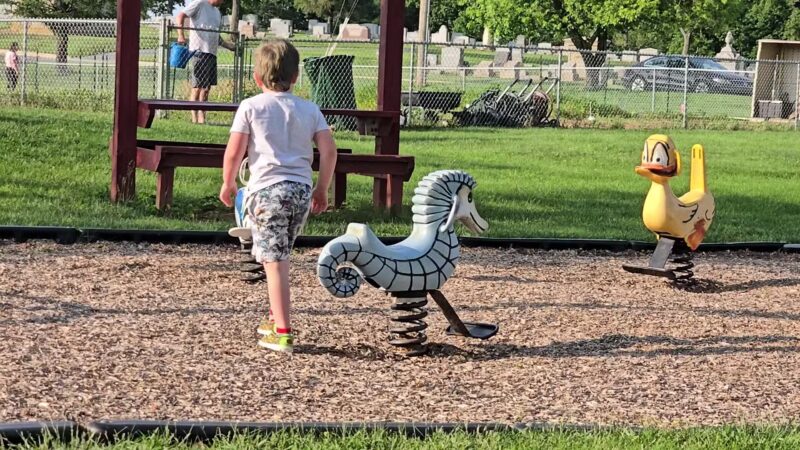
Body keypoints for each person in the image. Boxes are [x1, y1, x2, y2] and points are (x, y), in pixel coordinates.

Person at [219, 39, 338, 353]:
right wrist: (322, 187)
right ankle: (274, 316)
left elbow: (234, 152)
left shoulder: (252, 106)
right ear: (296, 77)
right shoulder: (309, 109)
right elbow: (328, 150)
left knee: (274, 262)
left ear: (257, 78)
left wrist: (228, 182)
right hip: (299, 192)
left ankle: (283, 331)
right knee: (281, 254)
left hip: (267, 192)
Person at [176, 0, 234, 124]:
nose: (223, 2)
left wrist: (229, 46)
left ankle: (202, 117)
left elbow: (216, 36)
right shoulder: (200, 4)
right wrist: (180, 35)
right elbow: (181, 15)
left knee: (206, 88)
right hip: (199, 51)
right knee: (197, 87)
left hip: (212, 53)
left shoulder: (217, 12)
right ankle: (194, 118)